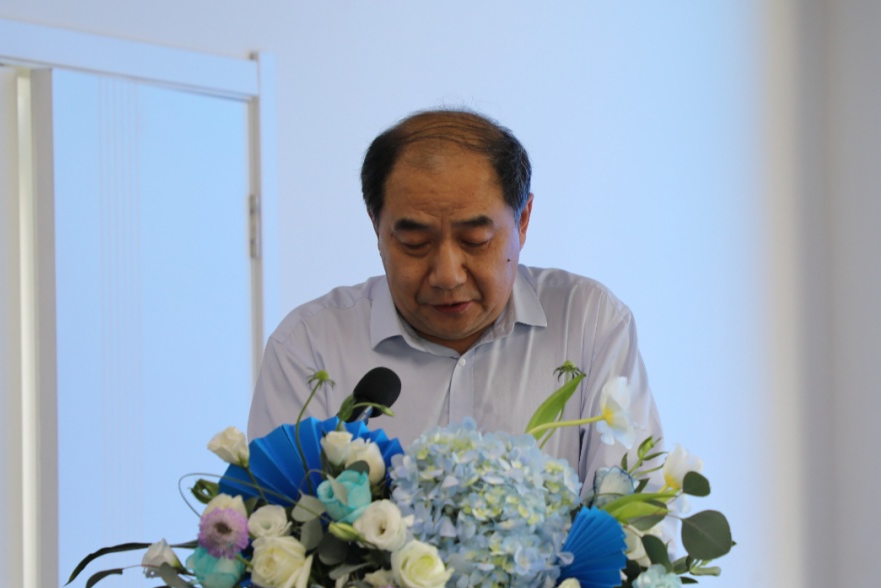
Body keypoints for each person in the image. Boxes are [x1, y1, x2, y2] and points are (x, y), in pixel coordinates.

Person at [247, 109, 660, 486]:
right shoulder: (309, 347)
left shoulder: (589, 323)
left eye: (475, 239)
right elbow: (276, 523)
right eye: (414, 243)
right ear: (376, 227)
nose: (447, 275)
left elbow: (634, 518)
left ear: (523, 220)